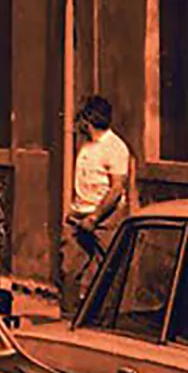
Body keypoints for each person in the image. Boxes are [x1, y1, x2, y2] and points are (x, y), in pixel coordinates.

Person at [61, 95, 133, 316]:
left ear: (87, 120)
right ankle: (68, 317)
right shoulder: (87, 144)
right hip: (79, 213)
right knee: (69, 269)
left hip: (105, 218)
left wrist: (95, 217)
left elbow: (117, 188)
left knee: (108, 269)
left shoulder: (115, 147)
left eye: (80, 118)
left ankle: (104, 318)